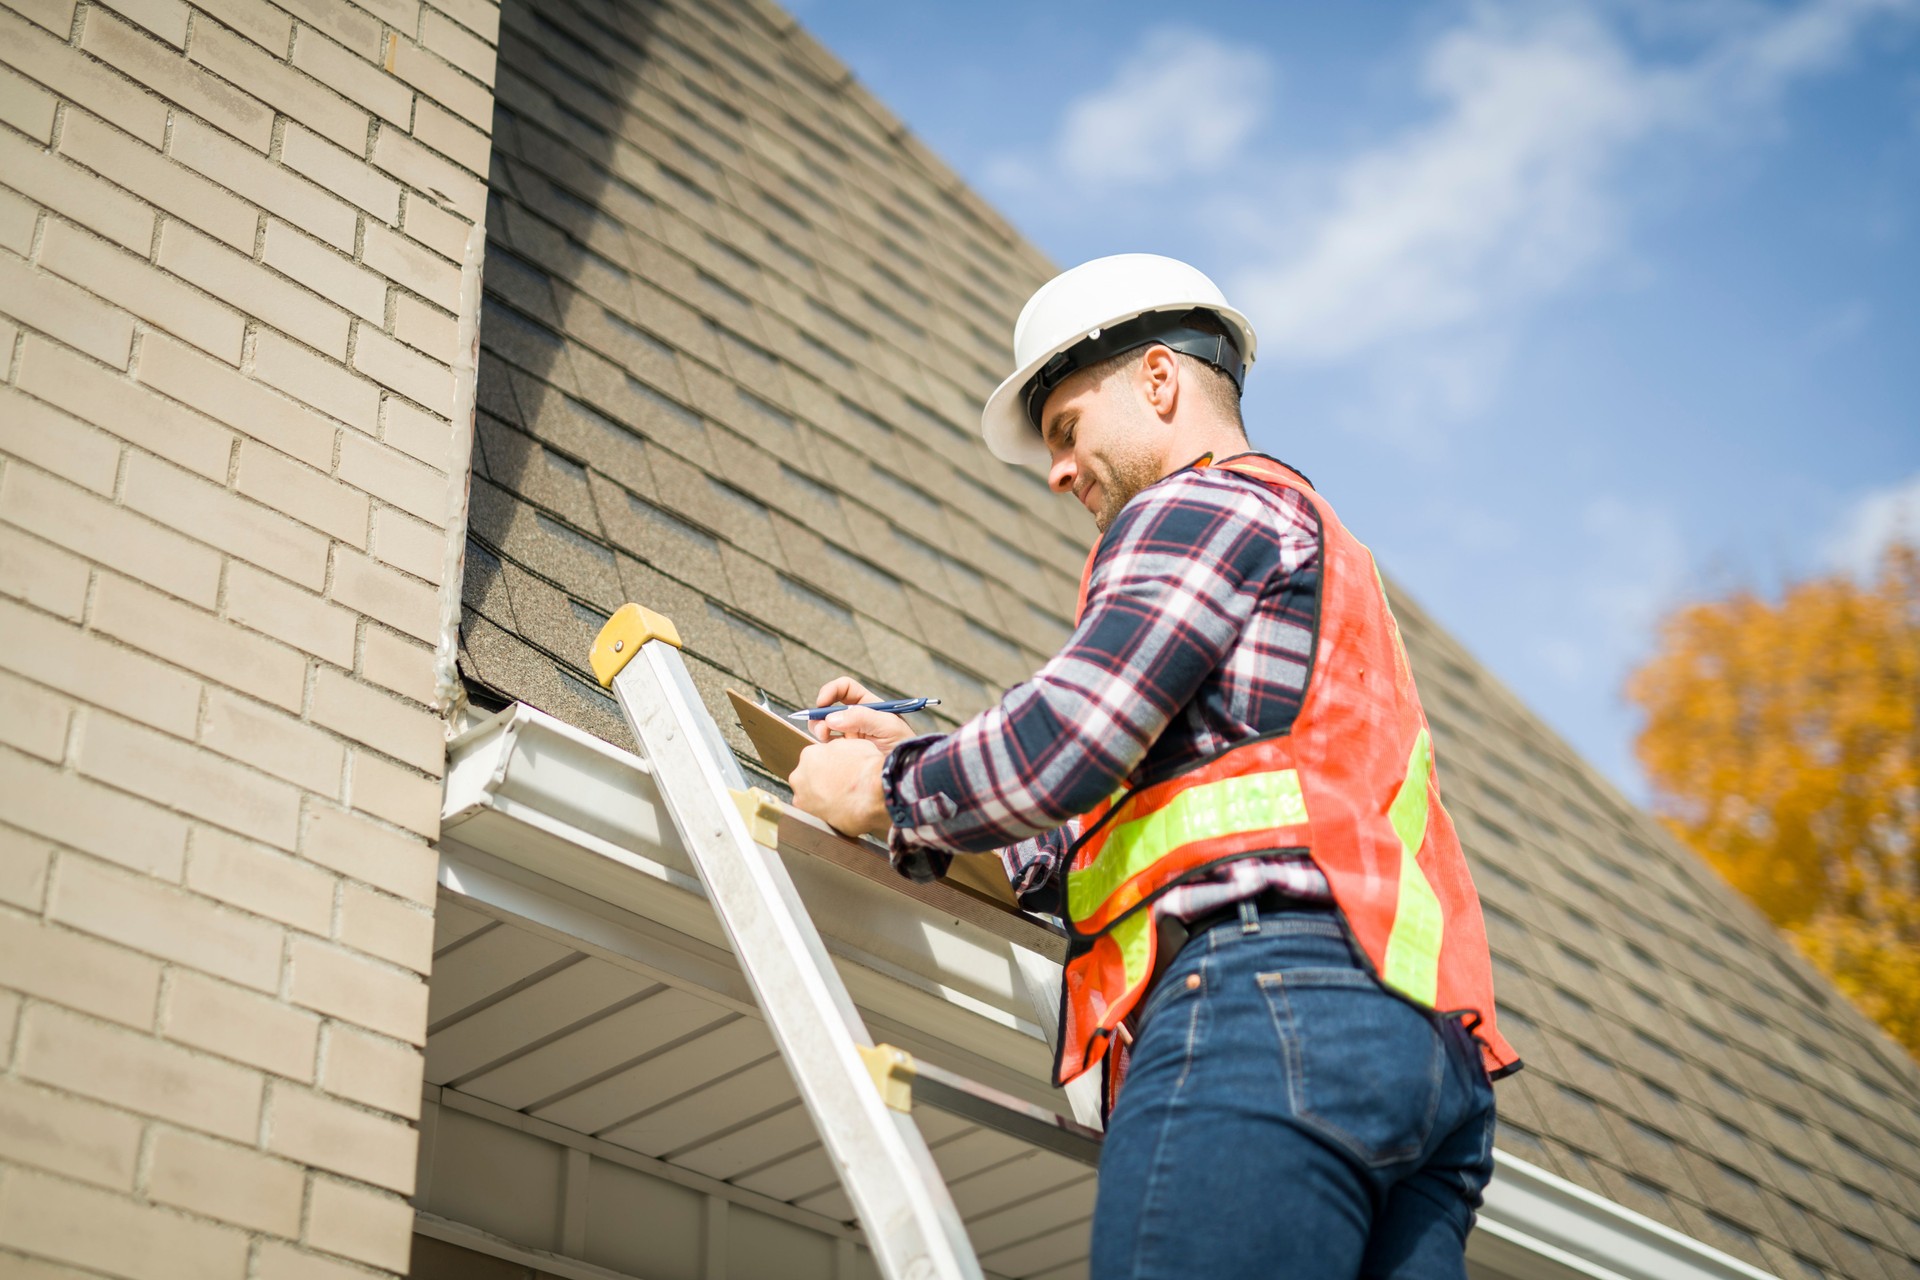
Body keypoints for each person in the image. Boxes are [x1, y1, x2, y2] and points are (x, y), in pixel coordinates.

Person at [789, 254, 1520, 1279]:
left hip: (1268, 1004)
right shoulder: (1319, 556)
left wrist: (882, 789)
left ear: (1162, 383)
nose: (1056, 470)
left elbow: (1069, 740)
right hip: (1425, 1064)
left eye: (1065, 429)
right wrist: (918, 752)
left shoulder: (1198, 506)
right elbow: (1116, 818)